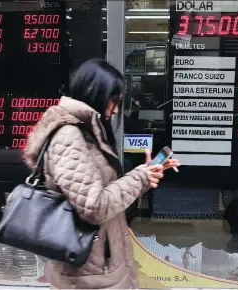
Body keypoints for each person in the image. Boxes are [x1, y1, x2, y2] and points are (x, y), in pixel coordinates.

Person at [23, 59, 180, 289]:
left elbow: (100, 191)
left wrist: (142, 173)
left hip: (95, 267)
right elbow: (94, 206)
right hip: (86, 273)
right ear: (93, 93)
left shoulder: (86, 131)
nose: (116, 110)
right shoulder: (69, 137)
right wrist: (140, 178)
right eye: (113, 101)